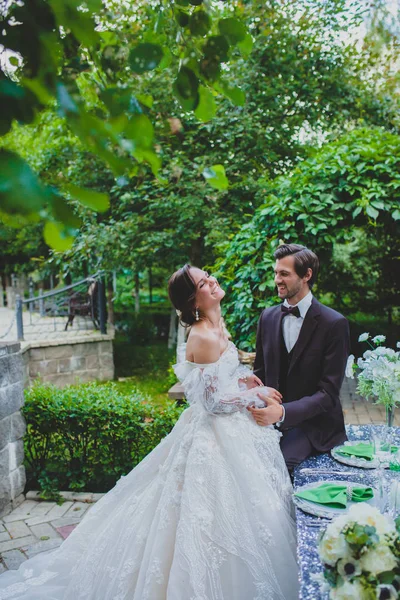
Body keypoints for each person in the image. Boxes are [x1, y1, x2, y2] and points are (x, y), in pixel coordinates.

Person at [0, 264, 298, 600]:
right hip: (213, 437)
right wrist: (253, 396)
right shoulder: (201, 335)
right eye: (203, 282)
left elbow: (216, 377)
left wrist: (242, 379)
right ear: (193, 300)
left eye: (208, 276)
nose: (212, 281)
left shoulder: (218, 324)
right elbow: (212, 403)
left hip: (230, 434)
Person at [250, 243, 350, 473]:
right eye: (276, 273)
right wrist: (254, 393)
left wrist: (284, 412)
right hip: (270, 419)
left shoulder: (334, 324)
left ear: (307, 275)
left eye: (284, 274)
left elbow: (328, 394)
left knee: (280, 465)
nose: (277, 280)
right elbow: (260, 374)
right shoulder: (268, 317)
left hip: (313, 425)